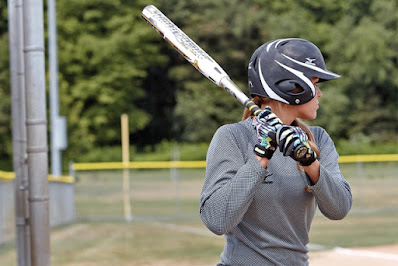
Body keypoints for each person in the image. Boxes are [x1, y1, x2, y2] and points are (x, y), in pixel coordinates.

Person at [199, 38, 352, 265]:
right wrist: (262, 154)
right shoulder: (233, 136)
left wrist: (311, 163)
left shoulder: (317, 139)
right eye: (315, 83)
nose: (319, 93)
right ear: (292, 86)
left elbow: (339, 209)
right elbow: (216, 219)